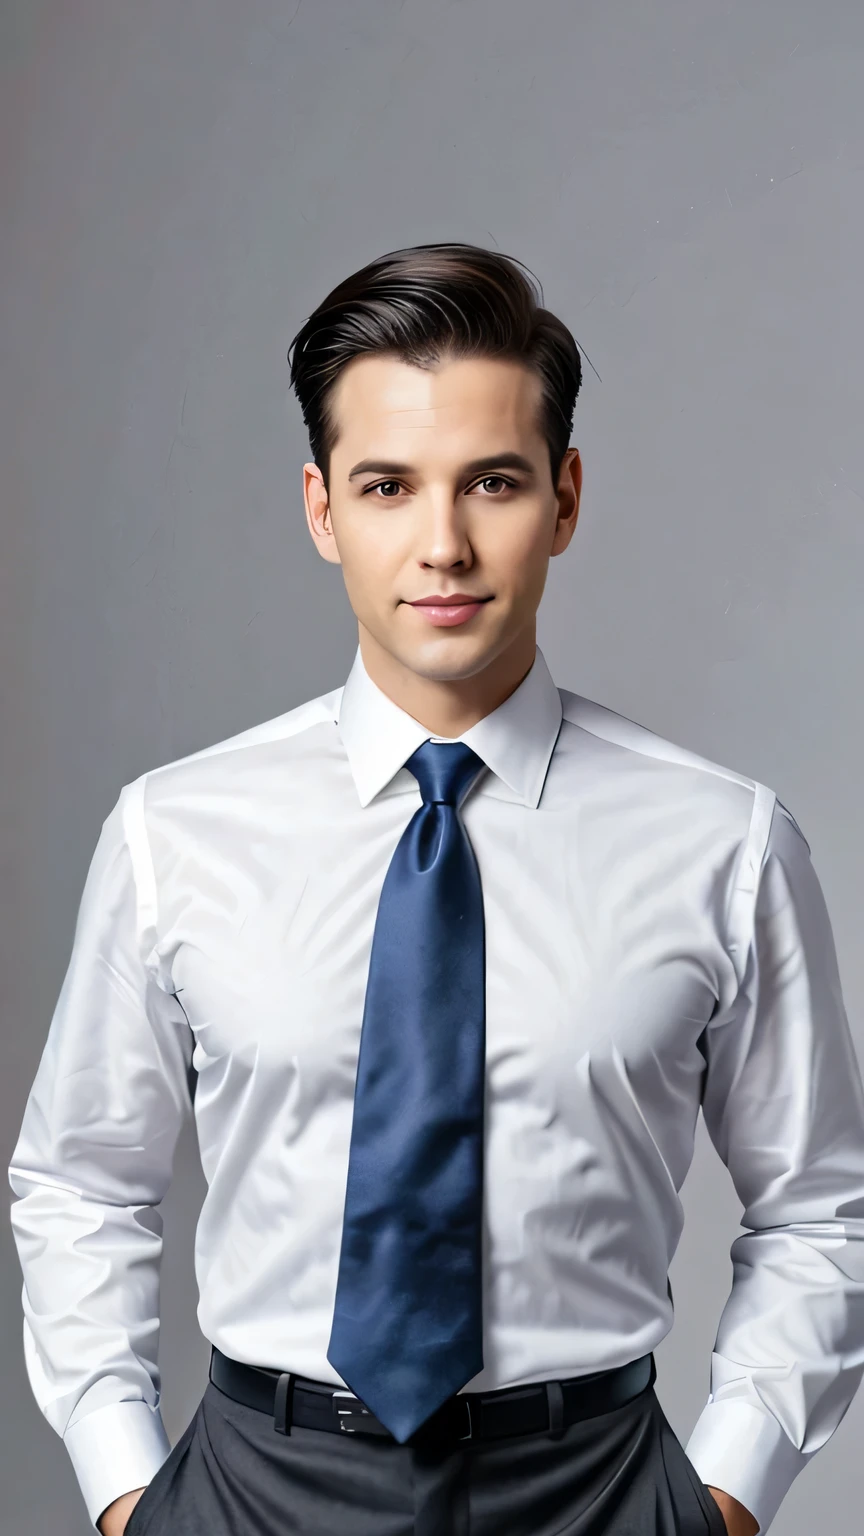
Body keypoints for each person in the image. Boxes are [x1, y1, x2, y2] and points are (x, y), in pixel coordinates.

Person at [9, 242, 864, 1536]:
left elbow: (820, 1206)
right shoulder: (172, 832)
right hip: (255, 1487)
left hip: (595, 1489)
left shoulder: (726, 844)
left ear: (566, 500)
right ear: (321, 511)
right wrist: (127, 1492)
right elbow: (81, 1181)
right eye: (388, 486)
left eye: (495, 483)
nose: (444, 544)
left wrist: (726, 1501)